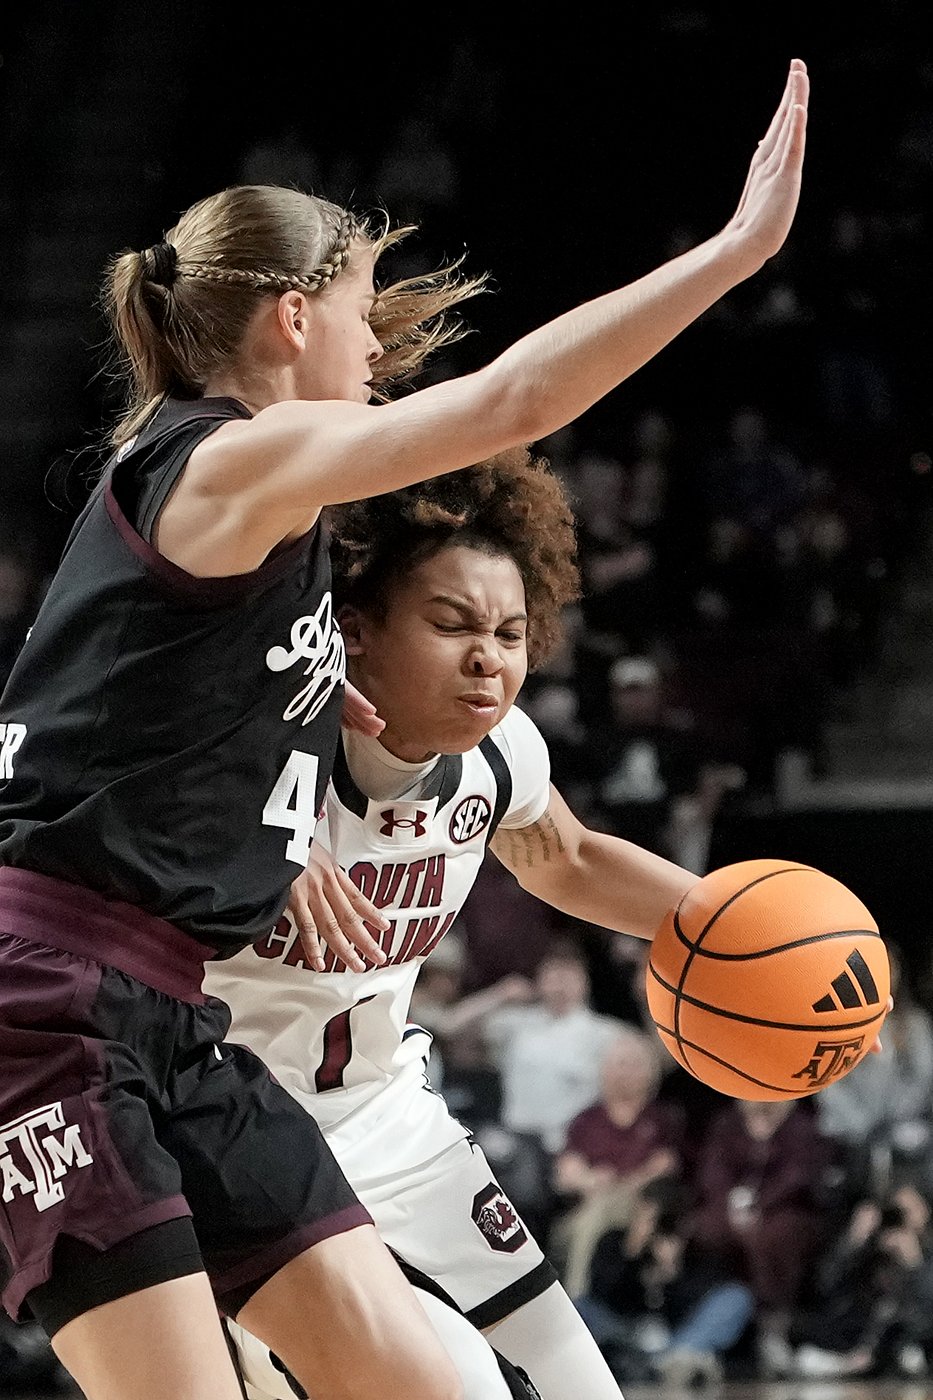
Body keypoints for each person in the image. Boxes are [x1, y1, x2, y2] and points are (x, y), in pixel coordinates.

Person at [0, 58, 809, 1400]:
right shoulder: (223, 459)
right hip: (48, 1010)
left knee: (427, 1385)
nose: (376, 351)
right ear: (290, 316)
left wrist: (275, 764)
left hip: (168, 1011)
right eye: (363, 318)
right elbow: (508, 406)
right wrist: (729, 253)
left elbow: (136, 706)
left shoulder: (255, 527)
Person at [205, 439, 846, 1400]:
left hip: (388, 1115)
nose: (487, 659)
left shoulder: (500, 754)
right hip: (232, 1133)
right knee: (452, 1383)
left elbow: (570, 858)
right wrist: (252, 844)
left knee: (581, 1388)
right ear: (359, 627)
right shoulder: (238, 746)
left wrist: (737, 931)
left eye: (510, 634)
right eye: (452, 622)